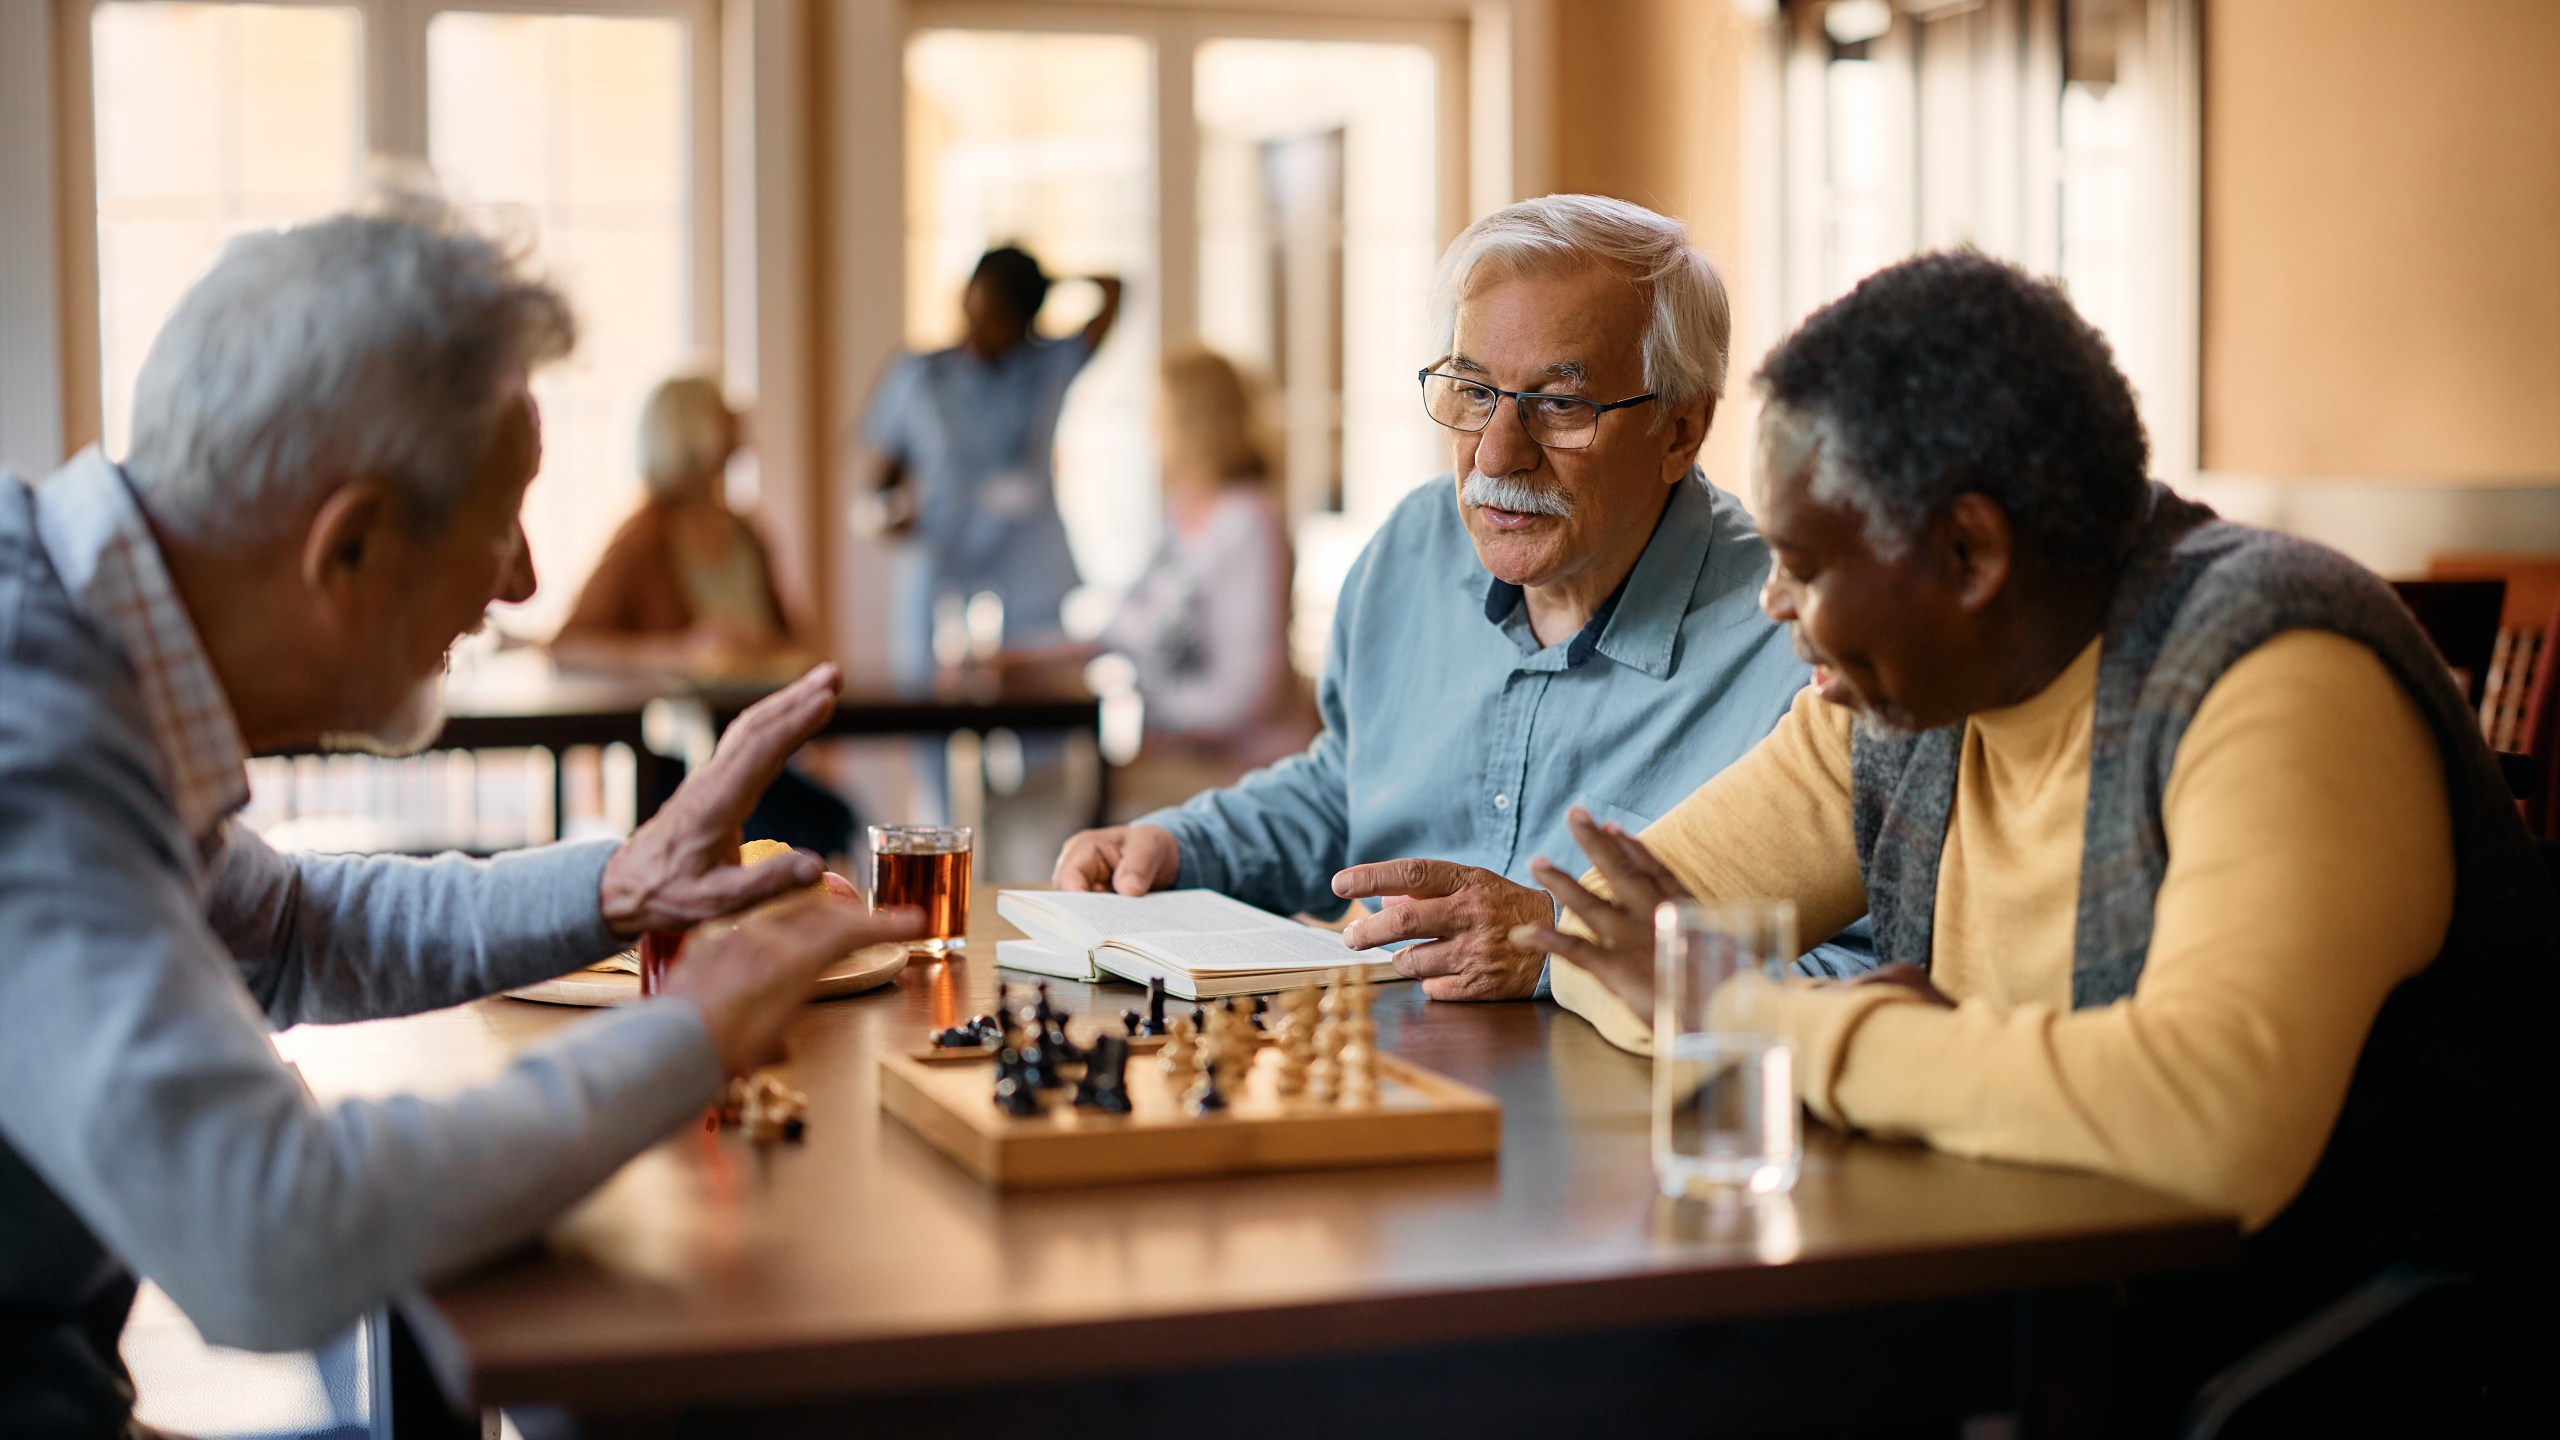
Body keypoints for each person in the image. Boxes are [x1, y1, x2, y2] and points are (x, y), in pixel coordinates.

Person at [1523, 251, 2555, 1431]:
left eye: (1805, 568)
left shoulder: (2275, 672)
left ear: (1969, 555)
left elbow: (2204, 1127)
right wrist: (1820, 1029)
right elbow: (1605, 948)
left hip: (2342, 1362)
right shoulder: (1896, 700)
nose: (1774, 605)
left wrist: (1759, 1020)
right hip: (2035, 1314)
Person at [0, 204, 920, 1436]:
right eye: (504, 517)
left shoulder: (74, 645)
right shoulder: (32, 737)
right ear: (354, 545)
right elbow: (270, 1236)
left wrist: (623, 885)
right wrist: (689, 1037)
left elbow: (281, 932)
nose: (524, 579)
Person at [1054, 195, 1859, 1000]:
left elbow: (1857, 972)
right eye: (1472, 392)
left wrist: (1559, 953)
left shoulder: (1799, 647)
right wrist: (1182, 845)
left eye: (1560, 404)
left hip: (1622, 1118)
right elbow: (1349, 782)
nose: (1499, 455)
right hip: (1389, 1084)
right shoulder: (1413, 547)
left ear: (1681, 431)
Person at [553, 373, 856, 857]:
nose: (739, 423)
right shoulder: (644, 534)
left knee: (833, 818)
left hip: (755, 747)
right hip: (680, 756)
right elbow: (569, 645)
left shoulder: (745, 529)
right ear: (690, 429)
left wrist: (760, 650)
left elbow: (800, 642)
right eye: (722, 412)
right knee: (792, 826)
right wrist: (677, 652)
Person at [864, 246, 1124, 685]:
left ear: (1024, 322)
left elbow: (1116, 290)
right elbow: (880, 480)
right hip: (943, 554)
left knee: (1037, 699)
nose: (978, 328)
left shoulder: (1046, 365)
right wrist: (887, 514)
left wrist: (1049, 283)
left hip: (1027, 560)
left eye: (997, 316)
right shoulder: (919, 376)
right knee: (928, 696)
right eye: (973, 308)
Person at [1098, 349, 1306, 777]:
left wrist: (1167, 728)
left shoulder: (1246, 521)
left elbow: (1247, 690)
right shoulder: (1178, 515)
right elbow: (1122, 625)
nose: (1149, 426)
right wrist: (1033, 660)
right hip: (1179, 750)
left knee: (1061, 806)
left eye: (1158, 411)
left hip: (1245, 765)